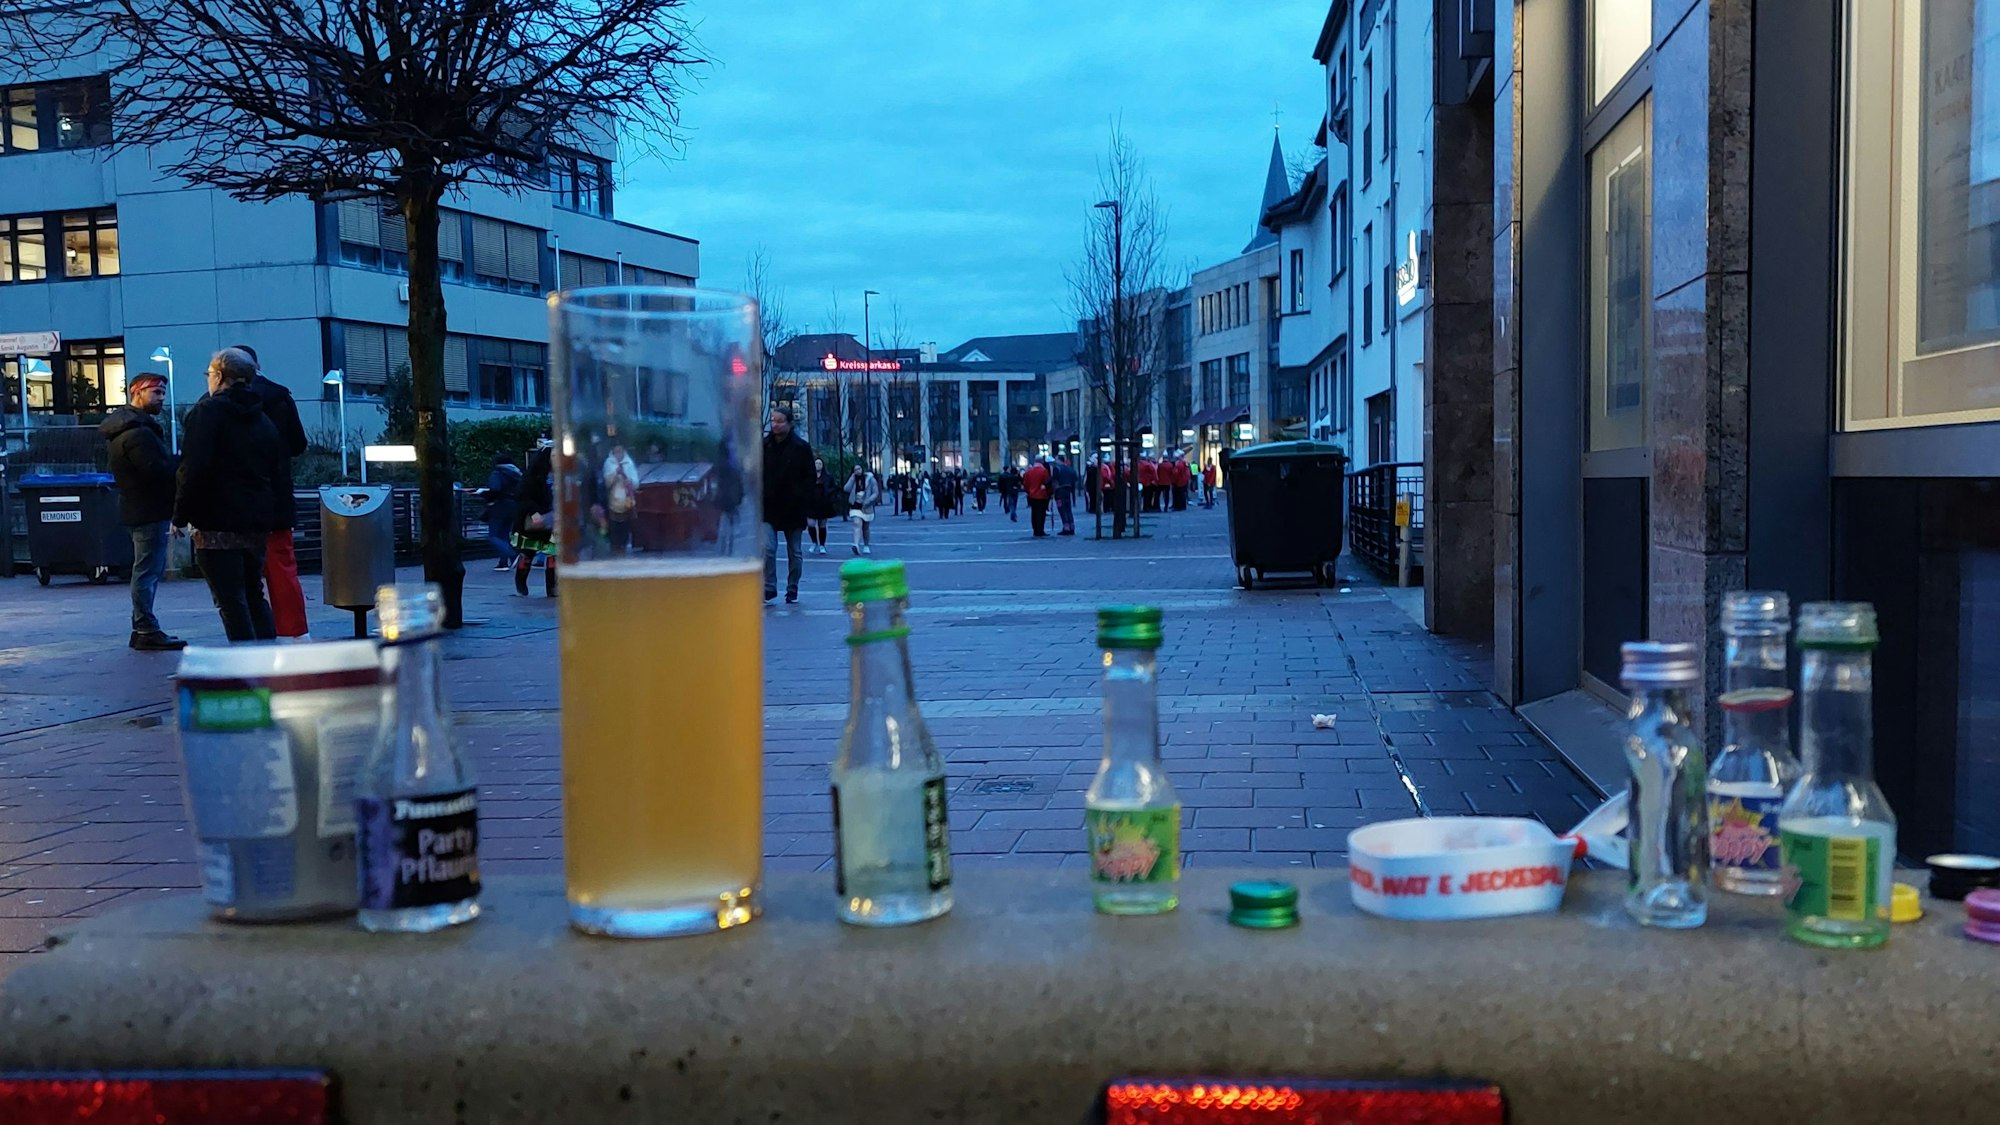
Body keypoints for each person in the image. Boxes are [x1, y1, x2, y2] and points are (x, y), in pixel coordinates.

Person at [174, 348, 284, 642]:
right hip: (256, 519)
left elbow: (193, 467)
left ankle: (245, 661)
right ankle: (267, 655)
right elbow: (275, 467)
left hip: (216, 520)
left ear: (220, 376)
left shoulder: (207, 413)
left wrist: (180, 515)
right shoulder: (262, 418)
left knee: (230, 600)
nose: (208, 379)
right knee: (253, 594)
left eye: (209, 374)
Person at [101, 370, 185, 651]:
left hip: (136, 507)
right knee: (147, 571)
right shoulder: (138, 434)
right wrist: (181, 463)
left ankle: (142, 627)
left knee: (145, 569)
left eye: (162, 393)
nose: (161, 398)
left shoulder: (124, 429)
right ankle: (145, 626)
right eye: (156, 392)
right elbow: (156, 472)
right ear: (137, 392)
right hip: (148, 509)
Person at [233, 345, 310, 639]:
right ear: (258, 364)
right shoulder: (279, 396)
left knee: (238, 576)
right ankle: (293, 632)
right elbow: (298, 443)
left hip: (236, 502)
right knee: (281, 567)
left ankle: (250, 635)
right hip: (276, 496)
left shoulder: (216, 403)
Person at [762, 407, 814, 605]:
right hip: (769, 506)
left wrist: (802, 497)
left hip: (793, 507)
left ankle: (793, 586)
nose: (775, 424)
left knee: (795, 551)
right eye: (773, 420)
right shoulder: (764, 446)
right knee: (768, 548)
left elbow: (809, 477)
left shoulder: (801, 447)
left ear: (790, 423)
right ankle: (769, 585)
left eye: (780, 421)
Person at [512, 439, 558, 597]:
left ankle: (552, 587)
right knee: (528, 552)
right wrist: (534, 511)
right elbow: (522, 496)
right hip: (536, 520)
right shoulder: (533, 476)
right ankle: (521, 581)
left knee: (553, 553)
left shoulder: (562, 474)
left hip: (554, 519)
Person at [475, 452, 522, 570]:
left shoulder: (497, 473)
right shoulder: (517, 474)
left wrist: (484, 494)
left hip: (499, 506)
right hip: (514, 506)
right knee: (504, 535)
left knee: (494, 536)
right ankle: (504, 562)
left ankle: (513, 554)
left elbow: (495, 489)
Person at [601, 441, 639, 556]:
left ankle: (623, 547)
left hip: (626, 501)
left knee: (625, 527)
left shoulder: (629, 463)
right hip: (613, 501)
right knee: (614, 527)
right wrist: (615, 474)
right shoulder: (609, 463)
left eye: (620, 451)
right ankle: (615, 548)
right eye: (616, 451)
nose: (618, 453)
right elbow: (606, 483)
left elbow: (636, 482)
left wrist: (630, 481)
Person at [845, 463, 881, 556]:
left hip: (866, 506)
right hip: (855, 505)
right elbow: (846, 489)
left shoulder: (870, 479)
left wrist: (869, 500)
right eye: (855, 469)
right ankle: (856, 544)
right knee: (857, 523)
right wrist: (851, 478)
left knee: (865, 527)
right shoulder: (853, 479)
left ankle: (866, 545)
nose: (857, 471)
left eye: (859, 469)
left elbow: (875, 492)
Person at [807, 457, 837, 555]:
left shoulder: (828, 477)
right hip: (812, 503)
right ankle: (814, 542)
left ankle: (822, 545)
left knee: (822, 525)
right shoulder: (809, 476)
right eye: (816, 463)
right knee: (811, 523)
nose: (818, 465)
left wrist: (829, 495)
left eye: (820, 463)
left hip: (823, 503)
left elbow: (833, 488)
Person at [1022, 456, 1053, 537]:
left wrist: (1028, 491)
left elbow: (1025, 484)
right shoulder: (1044, 471)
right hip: (1042, 495)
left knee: (1034, 513)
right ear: (1042, 462)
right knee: (1041, 513)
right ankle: (1040, 530)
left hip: (1032, 495)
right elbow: (1047, 482)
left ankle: (1035, 530)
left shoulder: (1029, 471)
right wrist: (1049, 493)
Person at [1051, 456, 1078, 536]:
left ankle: (1066, 528)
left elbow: (1053, 478)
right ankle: (1072, 526)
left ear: (1059, 460)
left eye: (1056, 459)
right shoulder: (1069, 468)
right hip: (1068, 490)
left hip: (1059, 491)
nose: (1055, 461)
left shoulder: (1057, 468)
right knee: (1068, 509)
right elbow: (1075, 478)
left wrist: (1046, 483)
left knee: (1062, 509)